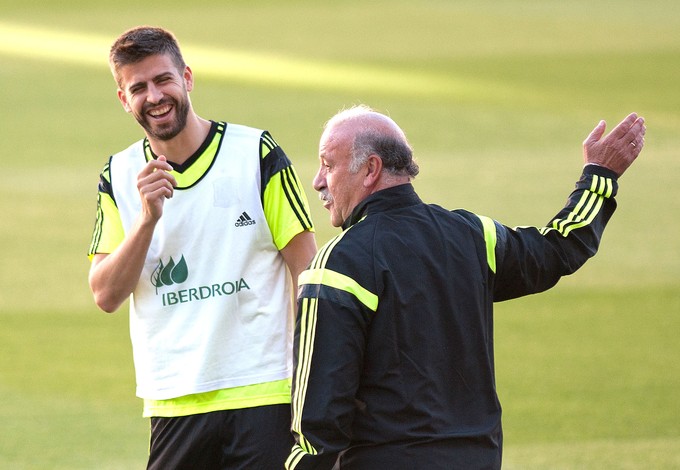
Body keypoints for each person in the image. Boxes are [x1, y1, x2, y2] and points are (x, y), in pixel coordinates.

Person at [286, 105, 645, 469]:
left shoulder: (338, 263)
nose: (318, 181)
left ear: (371, 170)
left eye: (328, 165)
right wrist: (599, 177)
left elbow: (319, 423)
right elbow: (557, 249)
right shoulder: (472, 235)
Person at [87, 26, 317, 469]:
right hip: (173, 401)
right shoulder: (118, 175)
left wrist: (312, 377)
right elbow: (105, 294)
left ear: (187, 78)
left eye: (163, 80)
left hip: (264, 390)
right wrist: (147, 220)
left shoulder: (256, 153)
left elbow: (306, 271)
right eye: (138, 88)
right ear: (123, 99)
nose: (154, 96)